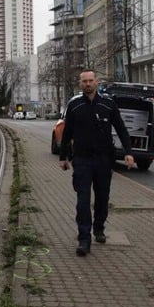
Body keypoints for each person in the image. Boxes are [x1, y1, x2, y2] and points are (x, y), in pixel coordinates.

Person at [59, 69, 135, 257]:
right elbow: (67, 132)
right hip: (82, 159)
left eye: (91, 81)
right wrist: (63, 157)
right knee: (83, 200)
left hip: (103, 159)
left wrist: (128, 153)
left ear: (97, 82)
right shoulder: (75, 106)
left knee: (102, 198)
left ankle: (99, 227)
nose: (88, 84)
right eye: (84, 81)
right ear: (80, 83)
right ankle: (84, 238)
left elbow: (121, 129)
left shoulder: (108, 105)